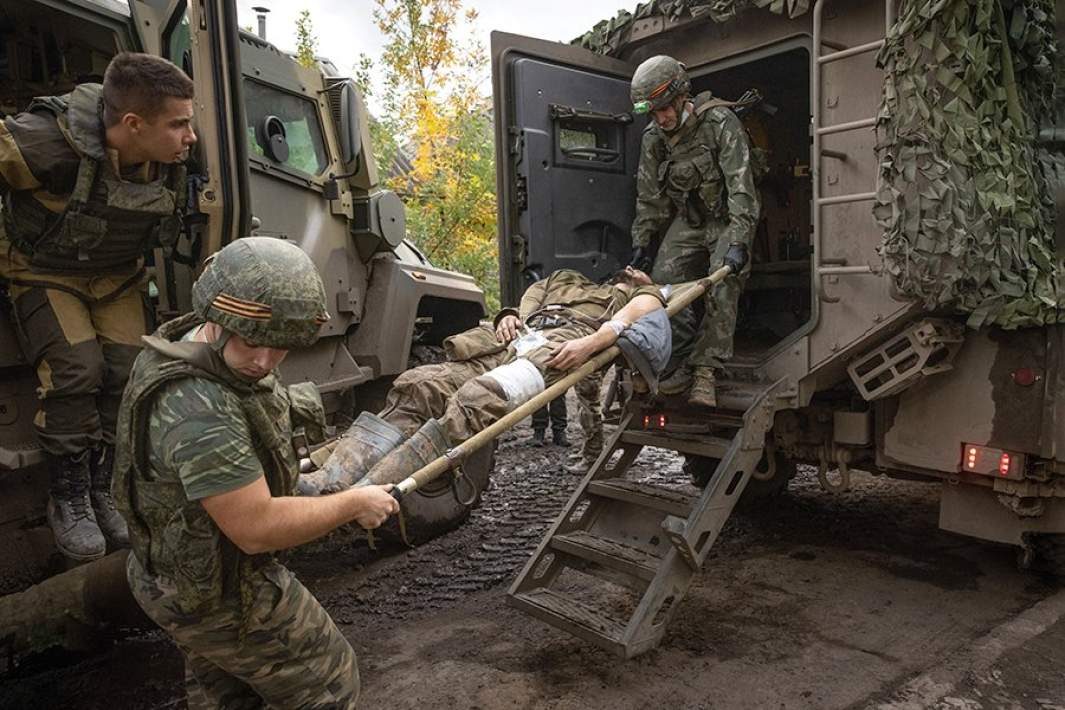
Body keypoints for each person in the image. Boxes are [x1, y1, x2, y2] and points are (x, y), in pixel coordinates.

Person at [112, 237, 399, 708]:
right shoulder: (199, 406)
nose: (264, 362)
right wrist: (353, 504)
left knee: (224, 695)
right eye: (252, 342)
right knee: (331, 683)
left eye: (280, 347)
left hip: (176, 579)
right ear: (218, 319)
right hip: (224, 592)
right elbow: (256, 529)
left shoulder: (188, 343)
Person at [0, 52, 197, 561]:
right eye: (178, 125)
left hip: (115, 275)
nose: (190, 137)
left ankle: (104, 488)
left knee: (130, 371)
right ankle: (68, 496)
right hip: (45, 269)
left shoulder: (171, 153)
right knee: (74, 371)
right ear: (133, 125)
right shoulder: (47, 142)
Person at [302, 268, 667, 494]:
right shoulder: (564, 278)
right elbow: (531, 298)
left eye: (640, 272)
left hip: (561, 345)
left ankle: (364, 491)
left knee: (478, 398)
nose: (633, 269)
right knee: (419, 383)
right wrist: (510, 317)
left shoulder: (630, 295)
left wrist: (591, 343)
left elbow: (645, 309)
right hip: (515, 338)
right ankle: (331, 477)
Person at [629, 54, 758, 407]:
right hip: (689, 221)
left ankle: (704, 371)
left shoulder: (719, 123)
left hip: (726, 219)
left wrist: (740, 241)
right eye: (653, 113)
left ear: (681, 96)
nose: (661, 119)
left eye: (665, 109)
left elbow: (742, 189)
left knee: (723, 280)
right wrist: (642, 242)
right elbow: (649, 197)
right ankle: (681, 358)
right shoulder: (654, 137)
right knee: (661, 284)